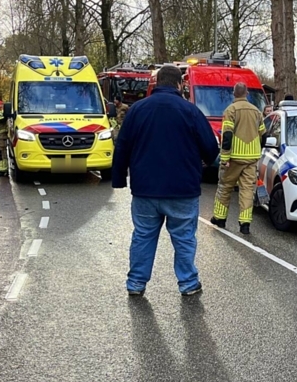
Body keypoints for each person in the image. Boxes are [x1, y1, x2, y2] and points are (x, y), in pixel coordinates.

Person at [111, 64, 220, 296]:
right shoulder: (190, 111)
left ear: (157, 82)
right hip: (183, 190)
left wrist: (119, 178)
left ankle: (136, 284)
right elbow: (210, 148)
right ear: (180, 84)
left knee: (143, 236)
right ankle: (188, 283)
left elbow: (122, 146)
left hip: (145, 189)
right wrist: (206, 161)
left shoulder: (137, 110)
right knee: (183, 238)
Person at [211, 82, 265, 235]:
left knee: (225, 186)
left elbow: (227, 135)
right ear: (246, 93)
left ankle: (220, 218)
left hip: (234, 157)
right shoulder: (256, 111)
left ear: (233, 94)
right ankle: (245, 223)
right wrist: (257, 150)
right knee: (247, 189)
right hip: (251, 157)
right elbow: (263, 134)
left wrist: (225, 157)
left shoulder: (231, 110)